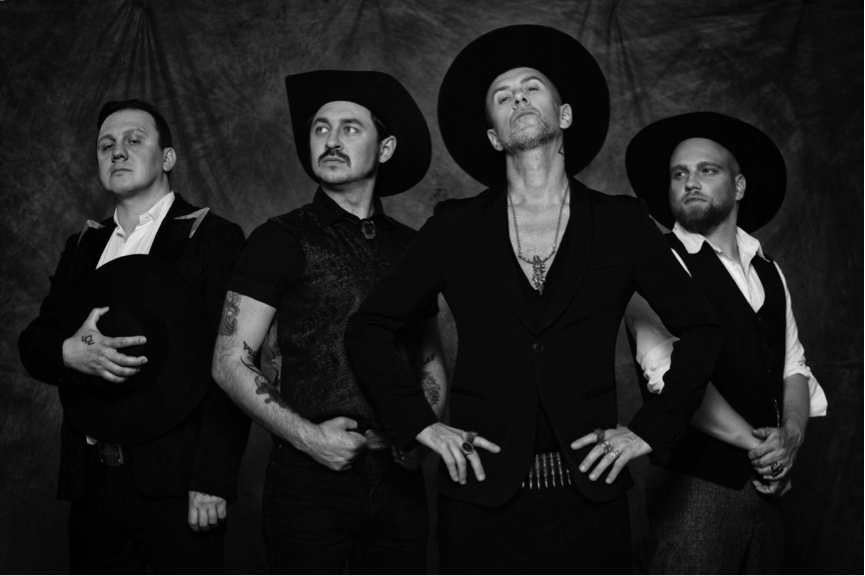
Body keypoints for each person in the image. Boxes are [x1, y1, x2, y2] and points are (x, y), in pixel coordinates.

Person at [344, 25, 724, 575]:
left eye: (532, 88)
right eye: (502, 96)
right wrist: (418, 423)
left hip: (590, 505)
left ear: (564, 116)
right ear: (494, 137)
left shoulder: (621, 223)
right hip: (477, 504)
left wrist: (651, 428)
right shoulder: (454, 227)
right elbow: (368, 328)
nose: (517, 97)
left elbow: (704, 329)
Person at [211, 70, 445, 575]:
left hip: (399, 481)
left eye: (349, 129)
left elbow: (428, 359)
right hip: (307, 479)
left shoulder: (413, 249)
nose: (330, 140)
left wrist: (418, 434)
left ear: (385, 149)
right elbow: (229, 361)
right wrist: (309, 438)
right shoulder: (277, 238)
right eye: (320, 129)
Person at [18, 99, 250, 574]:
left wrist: (213, 478)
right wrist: (69, 352)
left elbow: (233, 360)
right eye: (106, 145)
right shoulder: (83, 246)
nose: (117, 152)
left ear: (167, 158)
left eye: (133, 140)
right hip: (92, 484)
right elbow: (35, 343)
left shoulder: (214, 238)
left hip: (178, 484)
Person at [623, 111, 828, 574]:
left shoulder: (768, 270)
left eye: (706, 170)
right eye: (679, 174)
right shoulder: (654, 266)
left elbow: (794, 367)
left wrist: (791, 438)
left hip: (768, 487)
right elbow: (672, 379)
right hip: (695, 488)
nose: (690, 183)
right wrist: (765, 452)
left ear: (738, 187)